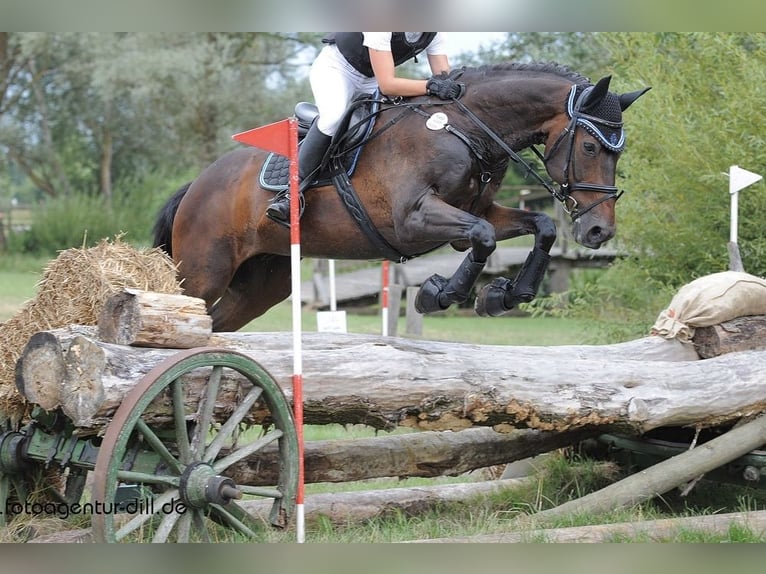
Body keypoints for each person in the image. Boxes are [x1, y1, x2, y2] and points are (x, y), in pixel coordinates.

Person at [266, 32, 463, 225]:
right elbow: (388, 85)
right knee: (333, 118)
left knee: (395, 122)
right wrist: (430, 87)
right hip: (337, 68)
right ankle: (290, 193)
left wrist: (453, 89)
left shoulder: (435, 33)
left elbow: (444, 78)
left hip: (371, 80)